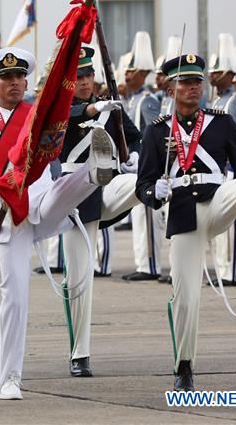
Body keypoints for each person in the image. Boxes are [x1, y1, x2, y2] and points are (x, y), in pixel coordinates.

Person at [0, 45, 117, 400]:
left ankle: (95, 173)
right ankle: (10, 378)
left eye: (19, 77)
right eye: (6, 78)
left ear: (27, 81)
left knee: (64, 188)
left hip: (45, 203)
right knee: (14, 297)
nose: (14, 83)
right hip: (8, 218)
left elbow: (67, 121)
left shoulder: (41, 116)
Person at [135, 52, 236, 391]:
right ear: (171, 89)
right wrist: (155, 190)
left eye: (198, 81)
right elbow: (143, 185)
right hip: (183, 211)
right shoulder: (157, 133)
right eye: (185, 82)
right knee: (186, 296)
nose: (193, 88)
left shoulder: (222, 122)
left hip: (218, 200)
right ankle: (184, 365)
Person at [58, 47, 142, 377]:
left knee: (139, 182)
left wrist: (134, 154)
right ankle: (80, 354)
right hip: (74, 197)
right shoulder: (60, 108)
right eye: (77, 77)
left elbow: (137, 138)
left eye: (87, 75)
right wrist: (93, 108)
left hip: (108, 186)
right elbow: (70, 115)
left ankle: (153, 190)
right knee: (79, 278)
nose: (83, 81)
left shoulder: (111, 109)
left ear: (94, 77)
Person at [207, 35, 236, 286]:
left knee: (235, 219)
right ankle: (223, 269)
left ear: (229, 74)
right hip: (218, 169)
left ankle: (233, 272)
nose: (212, 76)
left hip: (231, 169)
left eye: (217, 72)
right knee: (219, 223)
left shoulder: (235, 101)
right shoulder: (217, 101)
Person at [121, 32, 163, 281]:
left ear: (143, 73)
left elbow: (152, 136)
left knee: (147, 218)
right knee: (138, 217)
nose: (127, 74)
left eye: (132, 70)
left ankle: (150, 265)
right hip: (134, 168)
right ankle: (142, 264)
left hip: (147, 168)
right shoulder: (133, 100)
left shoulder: (147, 101)